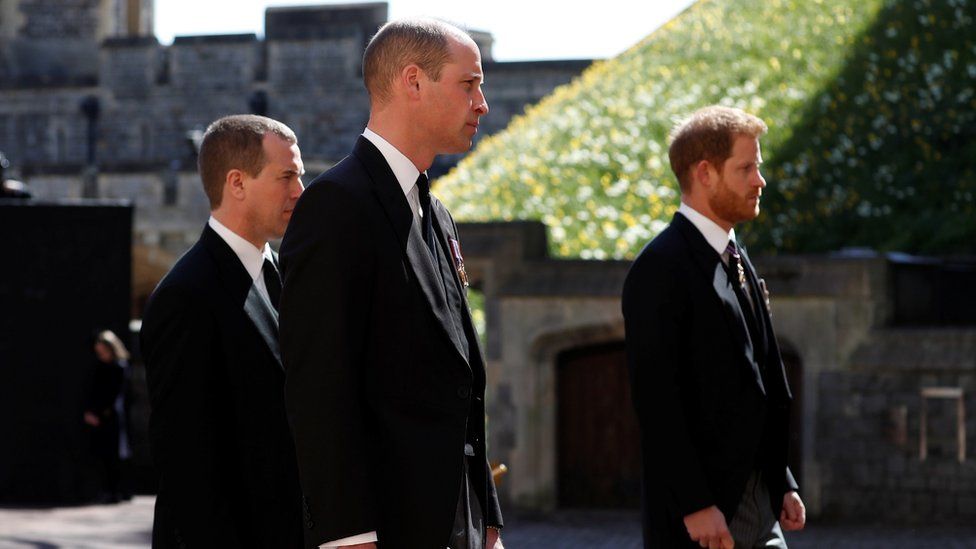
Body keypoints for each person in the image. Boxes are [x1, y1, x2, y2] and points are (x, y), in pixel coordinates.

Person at [278, 18, 503, 549]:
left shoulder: (436, 211)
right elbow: (319, 389)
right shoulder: (335, 206)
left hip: (457, 521)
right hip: (386, 527)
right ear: (413, 81)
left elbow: (459, 379)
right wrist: (348, 535)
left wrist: (487, 521)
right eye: (469, 84)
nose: (483, 104)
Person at [622, 105, 806, 549]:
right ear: (705, 173)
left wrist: (780, 480)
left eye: (757, 167)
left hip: (759, 501)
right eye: (746, 168)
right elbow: (658, 402)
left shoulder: (736, 255)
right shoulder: (660, 269)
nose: (759, 180)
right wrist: (695, 503)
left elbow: (760, 376)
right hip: (706, 518)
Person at [140, 114, 305, 547]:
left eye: (299, 176)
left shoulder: (287, 276)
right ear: (237, 183)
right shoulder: (186, 297)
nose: (299, 191)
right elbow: (188, 469)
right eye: (286, 176)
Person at [84, 329, 132, 503]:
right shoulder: (98, 366)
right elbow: (92, 391)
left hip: (111, 415)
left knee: (116, 455)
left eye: (103, 351)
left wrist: (101, 412)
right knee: (102, 456)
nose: (101, 355)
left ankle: (118, 490)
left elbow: (115, 394)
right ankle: (106, 489)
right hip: (99, 415)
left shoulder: (119, 367)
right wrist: (90, 412)